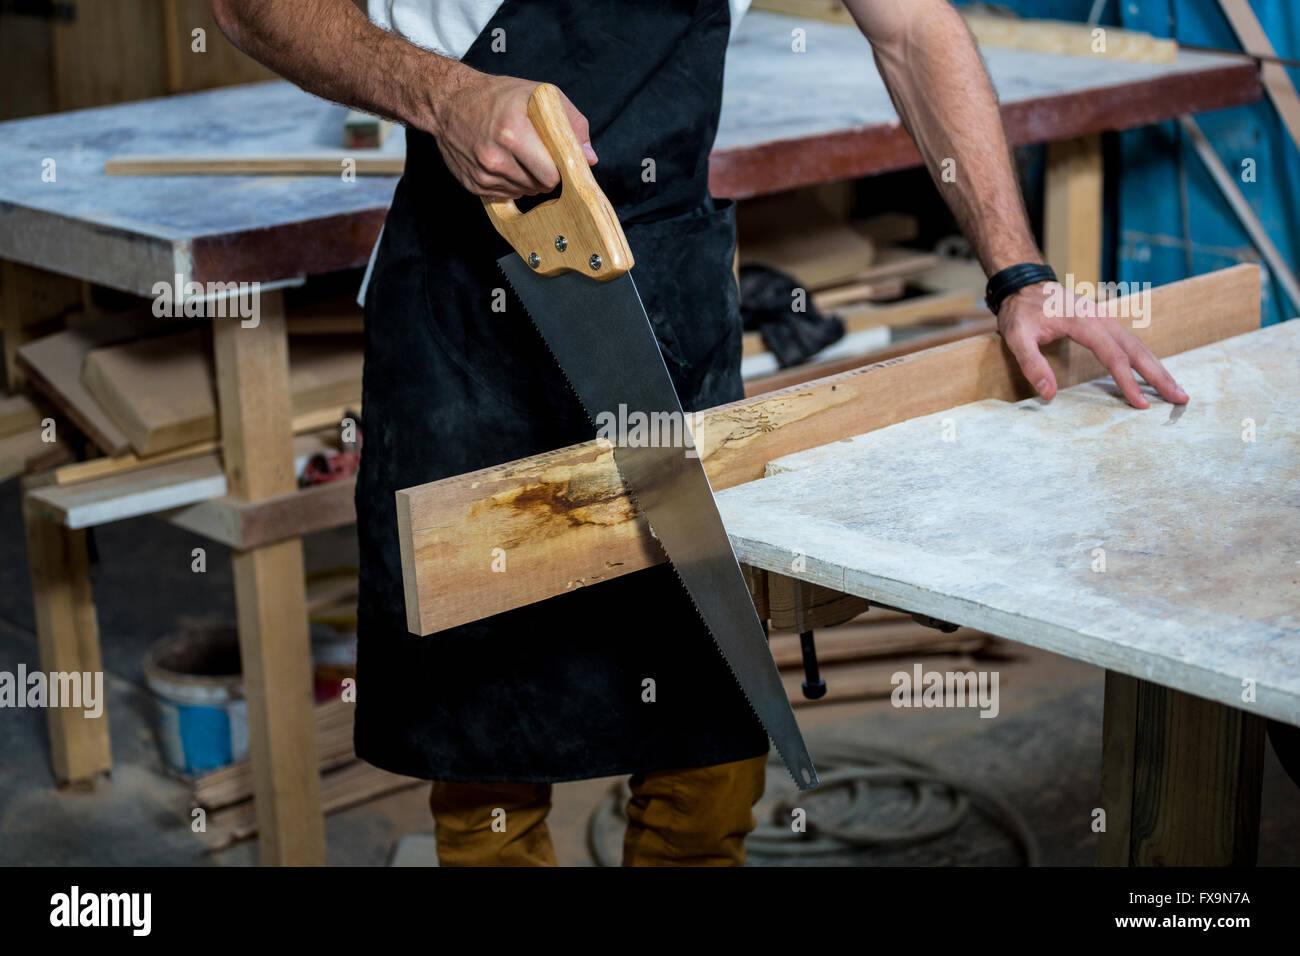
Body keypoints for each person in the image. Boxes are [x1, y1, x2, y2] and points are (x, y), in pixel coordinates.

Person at [212, 0, 1188, 867]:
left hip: (667, 290)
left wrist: (1016, 274)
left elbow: (912, 26)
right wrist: (444, 94)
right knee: (489, 763)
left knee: (709, 736)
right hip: (466, 303)